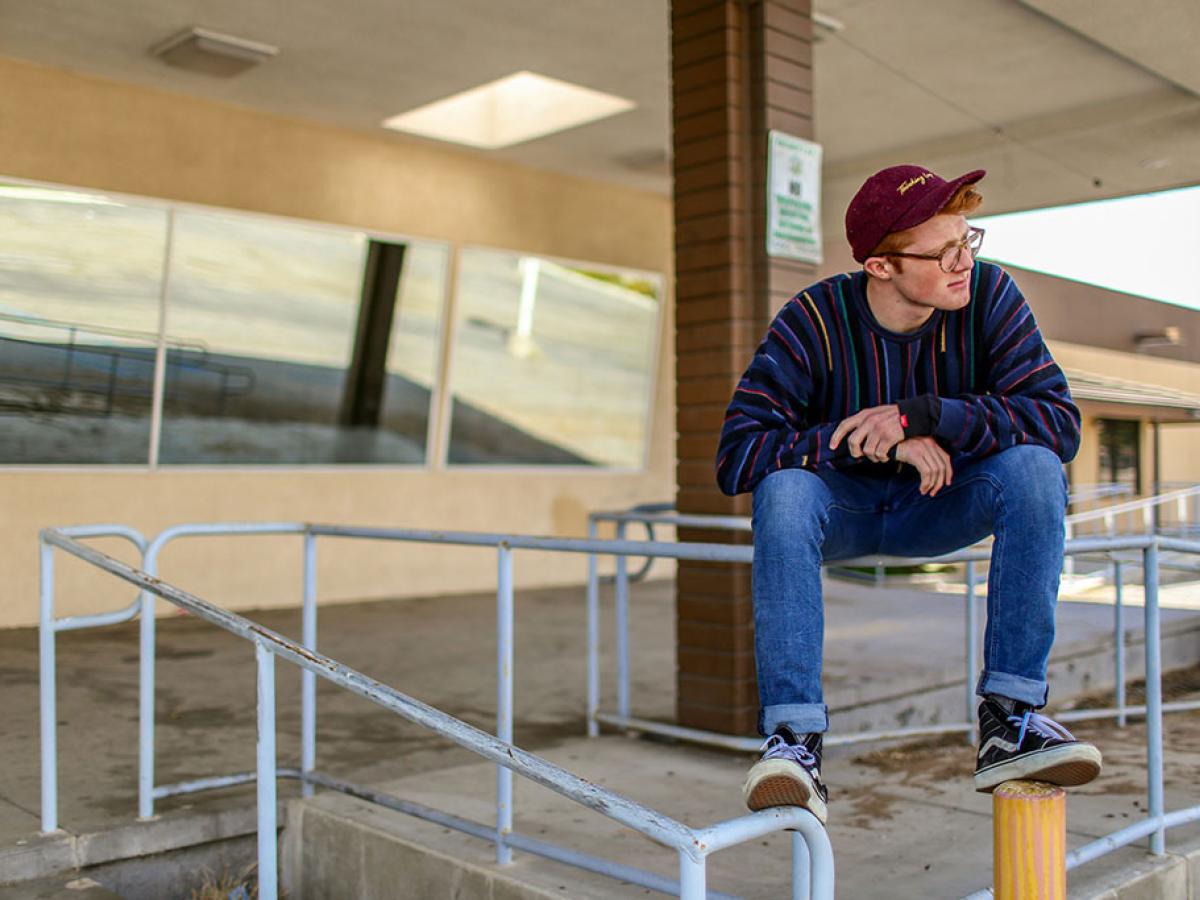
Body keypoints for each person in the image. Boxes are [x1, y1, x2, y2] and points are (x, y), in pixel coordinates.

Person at [715, 164, 1101, 824]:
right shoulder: (813, 318)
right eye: (944, 251)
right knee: (782, 490)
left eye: (967, 240)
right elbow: (736, 455)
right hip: (844, 514)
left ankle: (1009, 721)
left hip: (944, 502)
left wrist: (923, 416)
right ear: (881, 265)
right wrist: (859, 437)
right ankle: (795, 740)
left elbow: (1058, 422)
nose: (964, 263)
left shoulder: (990, 296)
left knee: (1036, 469)